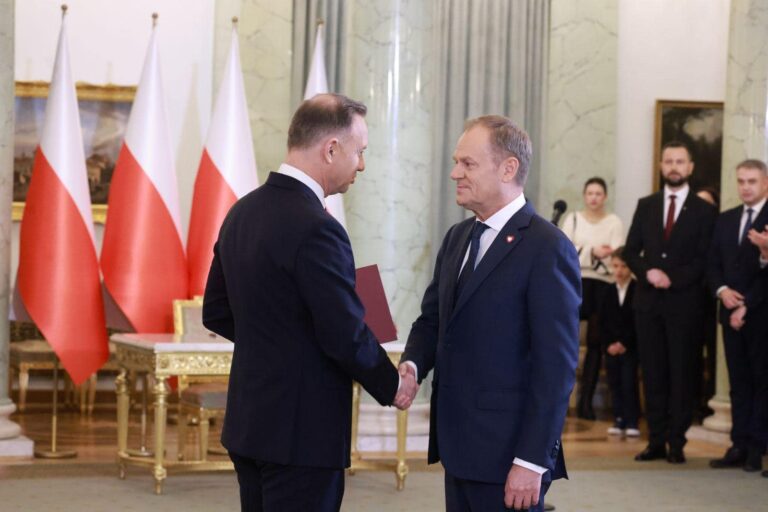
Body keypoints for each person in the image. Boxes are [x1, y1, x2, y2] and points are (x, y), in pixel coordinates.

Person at [202, 93, 418, 512]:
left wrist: (278, 345)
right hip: (302, 432)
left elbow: (216, 311)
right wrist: (392, 385)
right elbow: (343, 334)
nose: (362, 165)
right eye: (359, 152)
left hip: (250, 423)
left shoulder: (241, 212)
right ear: (331, 149)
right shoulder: (318, 227)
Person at [399, 115, 581, 511]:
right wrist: (412, 365)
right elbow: (433, 320)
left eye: (467, 163)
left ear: (508, 168)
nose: (455, 173)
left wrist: (531, 461)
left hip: (510, 454)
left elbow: (556, 366)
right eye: (456, 162)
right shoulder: (457, 237)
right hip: (458, 446)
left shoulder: (547, 247)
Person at [624, 140, 717, 464]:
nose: (674, 167)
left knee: (682, 375)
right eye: (668, 161)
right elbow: (630, 250)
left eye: (680, 161)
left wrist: (672, 278)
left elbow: (705, 260)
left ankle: (676, 442)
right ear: (661, 166)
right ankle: (656, 441)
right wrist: (647, 272)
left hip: (685, 306)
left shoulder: (705, 211)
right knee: (653, 374)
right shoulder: (646, 205)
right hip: (648, 305)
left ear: (690, 167)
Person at [708, 159, 768, 473]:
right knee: (738, 381)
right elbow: (712, 262)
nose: (745, 187)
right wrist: (722, 291)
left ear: (766, 183)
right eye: (741, 181)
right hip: (728, 310)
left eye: (752, 181)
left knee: (761, 381)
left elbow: (764, 274)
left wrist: (748, 304)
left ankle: (757, 447)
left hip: (761, 313)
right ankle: (739, 444)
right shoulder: (726, 219)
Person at [561, 177, 624, 420]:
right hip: (575, 284)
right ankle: (563, 400)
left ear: (605, 197)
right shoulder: (573, 219)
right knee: (567, 340)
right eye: (590, 193)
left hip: (603, 286)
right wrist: (594, 252)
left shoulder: (614, 222)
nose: (594, 198)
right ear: (584, 195)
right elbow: (564, 251)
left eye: (598, 193)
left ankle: (586, 402)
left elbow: (616, 257)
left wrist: (583, 254)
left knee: (596, 343)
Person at [599, 246, 640, 438]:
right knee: (614, 382)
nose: (619, 271)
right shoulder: (607, 291)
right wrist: (609, 344)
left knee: (629, 382)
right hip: (611, 347)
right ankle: (619, 418)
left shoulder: (637, 290)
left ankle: (632, 420)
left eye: (623, 266)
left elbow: (635, 322)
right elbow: (603, 321)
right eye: (615, 266)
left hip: (630, 347)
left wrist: (624, 343)